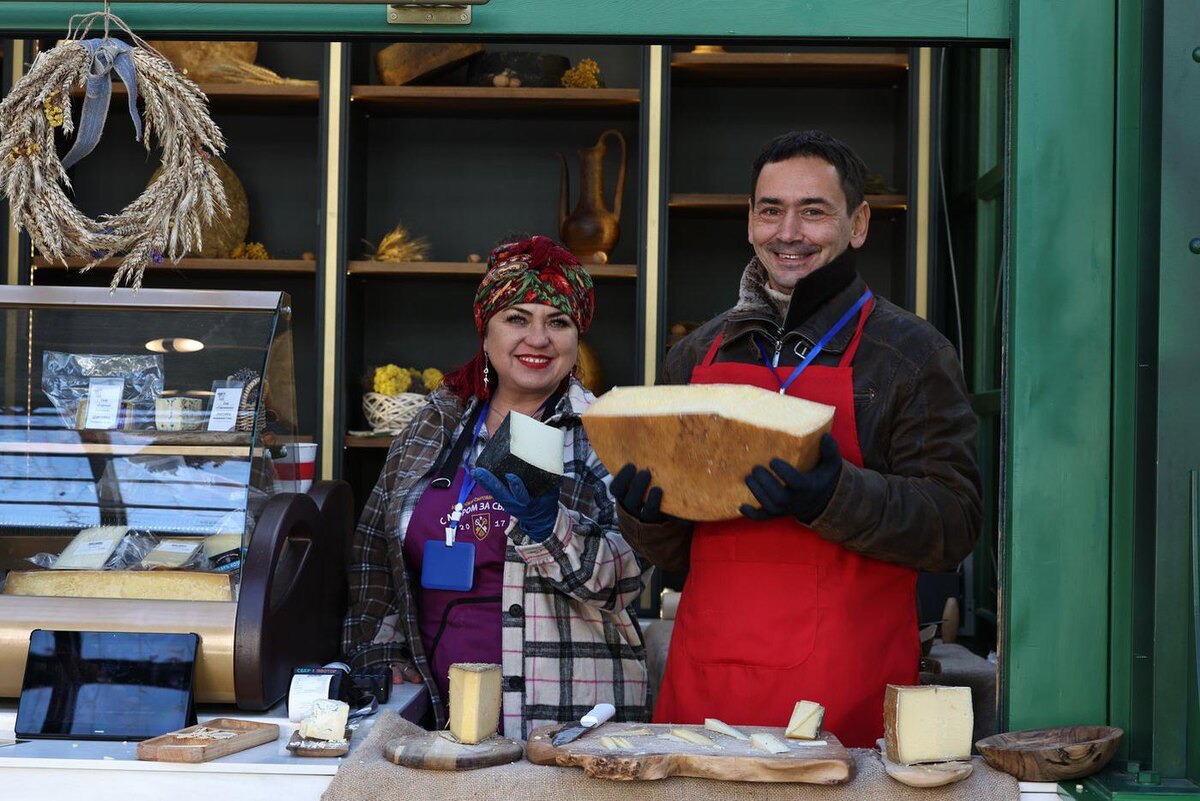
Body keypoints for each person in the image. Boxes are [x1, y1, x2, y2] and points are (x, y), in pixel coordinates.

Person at [612, 130, 981, 747]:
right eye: (770, 210)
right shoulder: (696, 353)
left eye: (813, 211)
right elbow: (676, 557)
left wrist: (831, 495)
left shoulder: (911, 354)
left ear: (858, 224)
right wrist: (646, 516)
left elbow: (954, 524)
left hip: (845, 693)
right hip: (708, 686)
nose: (788, 232)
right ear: (750, 222)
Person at [343, 235, 649, 739]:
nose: (538, 338)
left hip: (567, 717)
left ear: (577, 339)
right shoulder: (436, 424)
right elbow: (375, 553)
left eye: (558, 321)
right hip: (437, 714)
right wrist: (382, 653)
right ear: (485, 334)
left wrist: (549, 527)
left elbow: (629, 578)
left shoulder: (606, 432)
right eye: (517, 318)